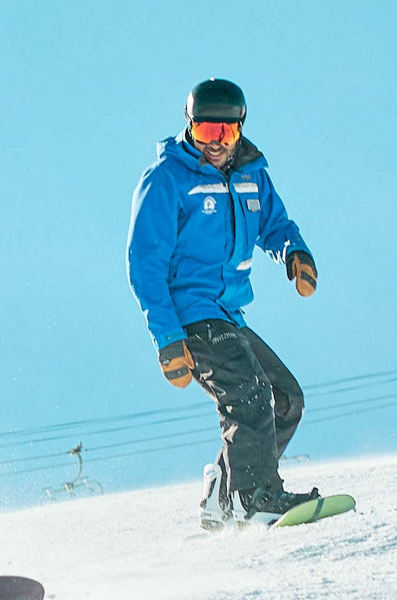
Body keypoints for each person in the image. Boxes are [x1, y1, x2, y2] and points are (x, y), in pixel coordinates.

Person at [126, 79, 324, 531]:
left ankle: (223, 492)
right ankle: (256, 499)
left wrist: (294, 252)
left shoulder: (253, 174)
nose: (215, 143)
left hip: (229, 314)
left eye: (226, 132)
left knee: (285, 399)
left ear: (240, 130)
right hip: (191, 316)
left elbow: (276, 224)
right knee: (247, 394)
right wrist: (167, 339)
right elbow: (144, 265)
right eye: (206, 131)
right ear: (189, 126)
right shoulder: (167, 180)